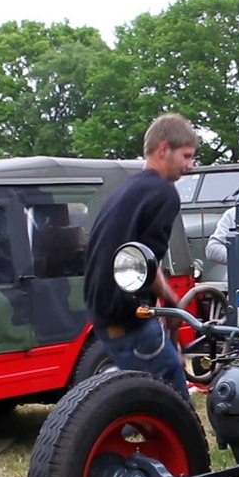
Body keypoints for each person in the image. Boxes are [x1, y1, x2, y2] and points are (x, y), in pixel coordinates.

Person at [83, 113, 198, 401]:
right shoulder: (164, 194)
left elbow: (139, 257)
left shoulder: (127, 189)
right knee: (171, 395)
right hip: (127, 317)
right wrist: (172, 301)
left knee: (142, 392)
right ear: (163, 149)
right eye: (186, 156)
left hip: (102, 314)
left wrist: (167, 301)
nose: (190, 165)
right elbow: (145, 265)